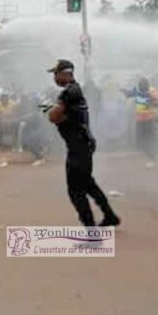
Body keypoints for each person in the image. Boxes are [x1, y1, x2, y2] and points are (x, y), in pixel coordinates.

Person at [45, 59, 121, 227]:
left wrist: (48, 107)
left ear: (65, 73)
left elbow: (53, 116)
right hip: (83, 144)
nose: (54, 77)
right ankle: (110, 216)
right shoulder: (74, 90)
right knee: (87, 184)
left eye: (56, 74)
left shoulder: (69, 92)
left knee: (75, 190)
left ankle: (90, 227)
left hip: (78, 146)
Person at [122, 77, 158, 168]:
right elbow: (130, 94)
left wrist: (151, 102)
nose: (142, 90)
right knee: (139, 141)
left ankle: (151, 158)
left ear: (147, 86)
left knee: (149, 139)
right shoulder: (137, 90)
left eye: (144, 88)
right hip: (140, 119)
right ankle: (150, 155)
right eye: (141, 88)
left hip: (150, 119)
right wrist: (123, 91)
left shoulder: (152, 91)